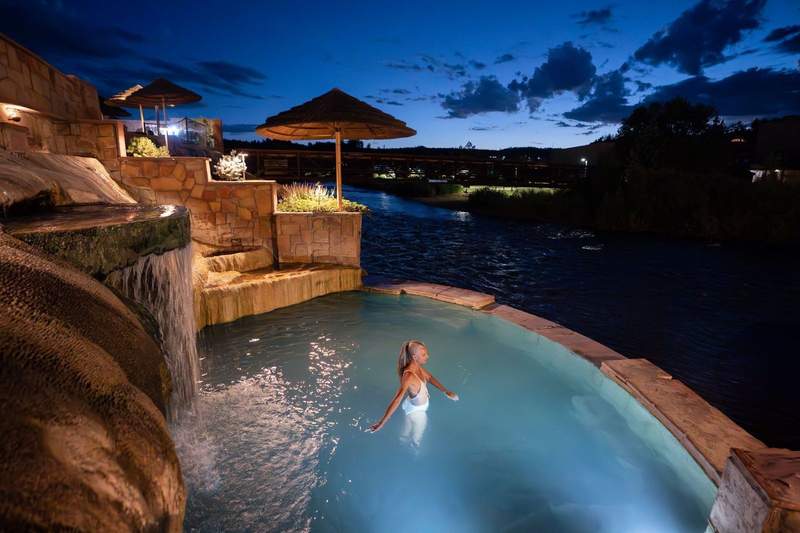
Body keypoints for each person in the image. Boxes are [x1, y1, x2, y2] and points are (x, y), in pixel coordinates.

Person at [368, 340, 458, 446]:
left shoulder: (417, 367)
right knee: (417, 440)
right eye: (424, 354)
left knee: (405, 433)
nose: (427, 356)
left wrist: (445, 390)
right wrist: (381, 423)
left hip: (410, 405)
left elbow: (429, 377)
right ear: (414, 357)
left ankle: (401, 444)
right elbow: (397, 398)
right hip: (418, 413)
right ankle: (413, 454)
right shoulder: (409, 376)